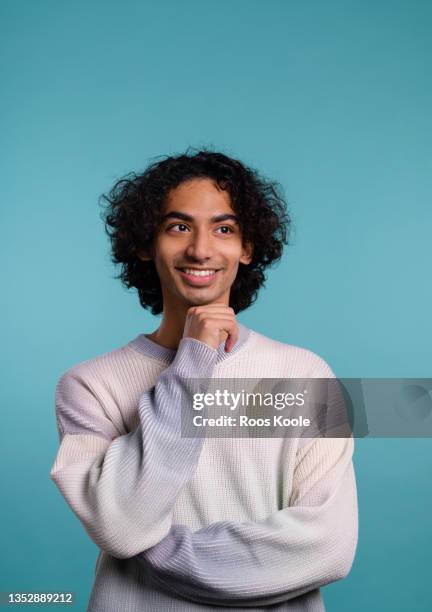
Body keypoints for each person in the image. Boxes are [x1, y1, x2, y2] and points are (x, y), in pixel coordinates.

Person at [50, 150, 358, 611]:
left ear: (247, 248)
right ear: (145, 244)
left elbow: (329, 546)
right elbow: (123, 525)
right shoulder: (89, 385)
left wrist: (156, 552)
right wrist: (194, 360)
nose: (200, 249)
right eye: (178, 227)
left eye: (224, 228)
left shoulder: (306, 374)